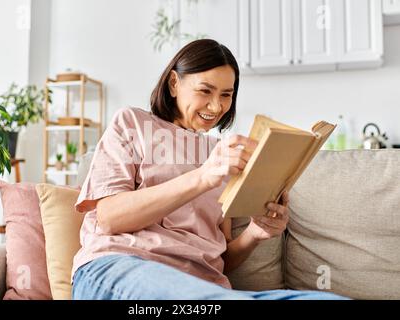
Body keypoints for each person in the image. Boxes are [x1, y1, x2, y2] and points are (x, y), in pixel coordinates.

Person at [71, 39, 347, 300]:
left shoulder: (220, 152)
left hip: (203, 286)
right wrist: (203, 176)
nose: (217, 107)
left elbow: (221, 259)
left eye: (226, 95)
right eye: (205, 91)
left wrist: (255, 233)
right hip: (121, 266)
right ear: (174, 83)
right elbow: (109, 218)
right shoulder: (132, 123)